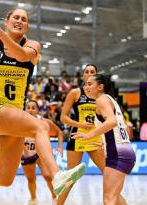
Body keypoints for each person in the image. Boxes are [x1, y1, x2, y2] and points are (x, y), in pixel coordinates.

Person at [0, 8, 86, 200]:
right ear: (6, 21)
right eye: (16, 17)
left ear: (27, 26)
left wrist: (3, 36)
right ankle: (57, 175)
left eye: (24, 19)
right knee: (40, 126)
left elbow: (21, 55)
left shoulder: (32, 45)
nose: (20, 21)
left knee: (4, 178)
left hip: (15, 114)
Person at [72, 74, 136, 205]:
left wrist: (89, 135)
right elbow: (122, 128)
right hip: (125, 151)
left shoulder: (101, 100)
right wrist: (104, 142)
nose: (86, 87)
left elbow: (112, 122)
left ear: (100, 87)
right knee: (115, 198)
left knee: (108, 200)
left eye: (90, 84)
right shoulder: (111, 101)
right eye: (85, 84)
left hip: (117, 154)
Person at [58, 64, 105, 205]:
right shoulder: (75, 93)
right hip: (78, 137)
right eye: (87, 72)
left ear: (97, 75)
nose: (90, 74)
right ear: (83, 75)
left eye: (93, 72)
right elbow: (63, 117)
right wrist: (80, 125)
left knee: (109, 173)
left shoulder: (102, 95)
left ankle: (111, 201)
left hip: (95, 138)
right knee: (70, 178)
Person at [21, 101, 64, 203]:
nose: (30, 110)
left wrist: (60, 147)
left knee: (48, 176)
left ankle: (54, 197)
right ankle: (33, 199)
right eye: (28, 107)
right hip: (27, 153)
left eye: (33, 108)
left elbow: (59, 132)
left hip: (41, 153)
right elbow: (16, 137)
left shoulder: (44, 122)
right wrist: (24, 149)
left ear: (38, 110)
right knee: (31, 179)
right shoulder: (20, 122)